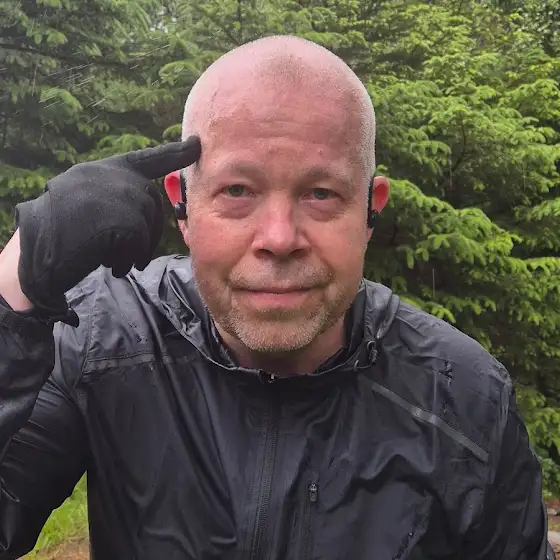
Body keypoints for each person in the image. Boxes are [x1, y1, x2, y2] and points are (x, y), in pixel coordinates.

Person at [0, 35, 555, 560]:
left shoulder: (465, 397)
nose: (280, 238)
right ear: (183, 204)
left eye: (321, 193)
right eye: (237, 190)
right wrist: (15, 281)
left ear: (370, 209)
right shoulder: (100, 338)